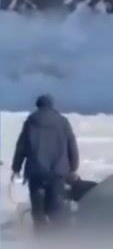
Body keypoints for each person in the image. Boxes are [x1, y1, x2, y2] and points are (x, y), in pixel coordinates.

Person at [11, 94, 79, 231]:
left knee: (38, 209)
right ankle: (56, 238)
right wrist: (73, 167)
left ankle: (40, 237)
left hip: (36, 172)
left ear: (38, 105)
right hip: (57, 172)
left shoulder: (31, 122)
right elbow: (72, 145)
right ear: (51, 105)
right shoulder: (63, 122)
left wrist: (16, 168)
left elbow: (22, 146)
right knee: (56, 208)